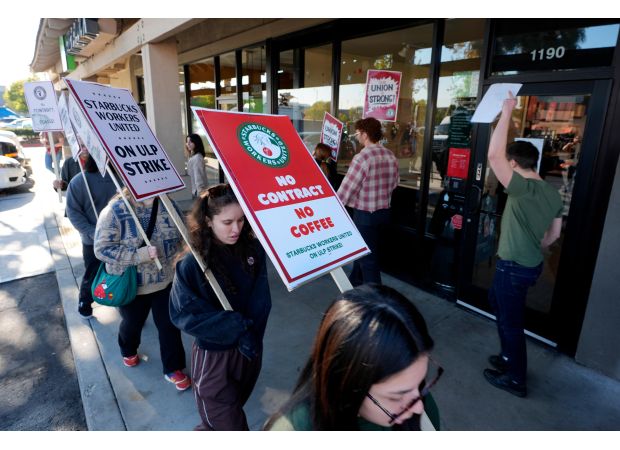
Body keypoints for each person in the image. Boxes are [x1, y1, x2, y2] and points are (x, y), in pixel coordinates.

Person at [264, 284, 441, 431]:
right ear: (347, 385)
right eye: (395, 397)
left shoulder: (417, 400)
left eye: (421, 382)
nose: (419, 407)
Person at [169, 183, 272, 431]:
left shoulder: (253, 250)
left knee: (226, 415)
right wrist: (235, 327)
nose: (236, 229)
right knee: (229, 426)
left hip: (248, 351)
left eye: (241, 220)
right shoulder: (193, 263)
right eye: (227, 222)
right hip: (215, 357)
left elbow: (261, 299)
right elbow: (183, 313)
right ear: (207, 220)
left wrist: (252, 333)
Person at [484, 92, 563, 398]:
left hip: (513, 266)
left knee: (511, 322)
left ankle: (516, 378)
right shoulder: (552, 193)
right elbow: (554, 236)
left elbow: (493, 156)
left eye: (509, 165)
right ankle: (507, 357)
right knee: (497, 302)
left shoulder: (521, 189)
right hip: (530, 265)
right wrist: (534, 241)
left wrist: (507, 112)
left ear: (514, 163)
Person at [94, 187, 190, 391]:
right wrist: (139, 255)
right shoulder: (115, 210)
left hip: (165, 281)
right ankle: (128, 349)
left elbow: (184, 237)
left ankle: (173, 367)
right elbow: (101, 249)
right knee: (132, 323)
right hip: (132, 285)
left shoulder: (169, 205)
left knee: (169, 325)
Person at [337, 118, 399, 286]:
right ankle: (354, 284)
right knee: (366, 251)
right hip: (384, 213)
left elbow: (347, 188)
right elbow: (395, 183)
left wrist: (335, 208)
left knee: (368, 260)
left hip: (365, 216)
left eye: (357, 133)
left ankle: (376, 300)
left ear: (365, 134)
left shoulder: (362, 157)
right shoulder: (389, 154)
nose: (356, 136)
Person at [65, 149, 117, 318]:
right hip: (92, 240)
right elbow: (73, 212)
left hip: (120, 237)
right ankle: (84, 302)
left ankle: (121, 300)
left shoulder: (121, 180)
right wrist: (92, 232)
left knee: (119, 273)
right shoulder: (79, 181)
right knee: (92, 272)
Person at [185, 134, 209, 198]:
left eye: (191, 142)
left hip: (198, 192)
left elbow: (198, 177)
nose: (188, 144)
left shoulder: (197, 158)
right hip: (195, 191)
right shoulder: (192, 157)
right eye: (187, 142)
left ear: (196, 143)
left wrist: (201, 193)